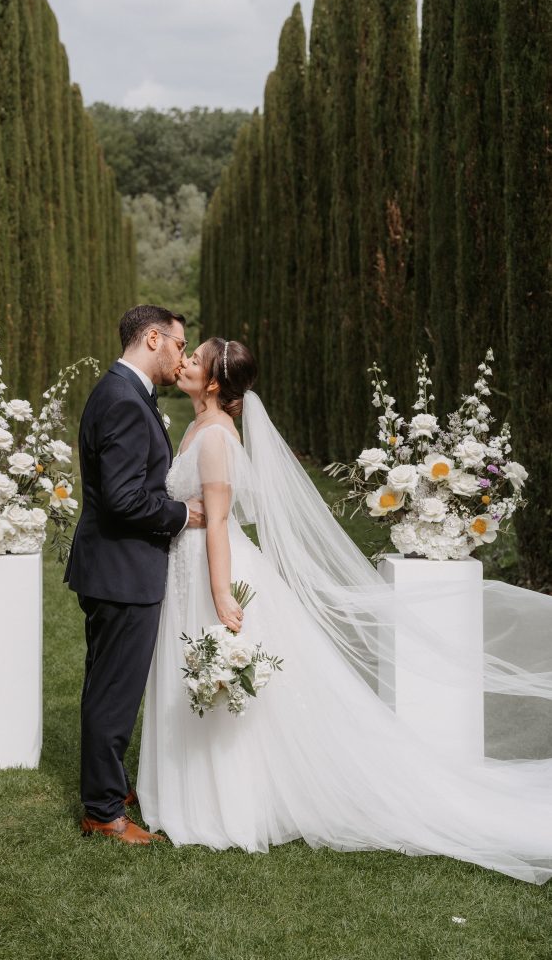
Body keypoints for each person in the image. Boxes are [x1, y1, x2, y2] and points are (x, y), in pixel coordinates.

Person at [137, 337, 552, 884]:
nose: (183, 361)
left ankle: (224, 804)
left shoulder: (214, 436)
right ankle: (195, 790)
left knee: (223, 685)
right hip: (191, 563)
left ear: (213, 383)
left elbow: (217, 521)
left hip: (215, 570)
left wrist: (220, 595)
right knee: (205, 685)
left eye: (195, 358)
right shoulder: (196, 425)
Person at [64, 305, 205, 844]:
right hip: (122, 570)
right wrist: (181, 515)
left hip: (111, 567)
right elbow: (124, 498)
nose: (181, 355)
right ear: (153, 338)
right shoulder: (124, 400)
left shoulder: (119, 392)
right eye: (178, 344)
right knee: (114, 693)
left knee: (106, 685)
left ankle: (110, 783)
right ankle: (103, 811)